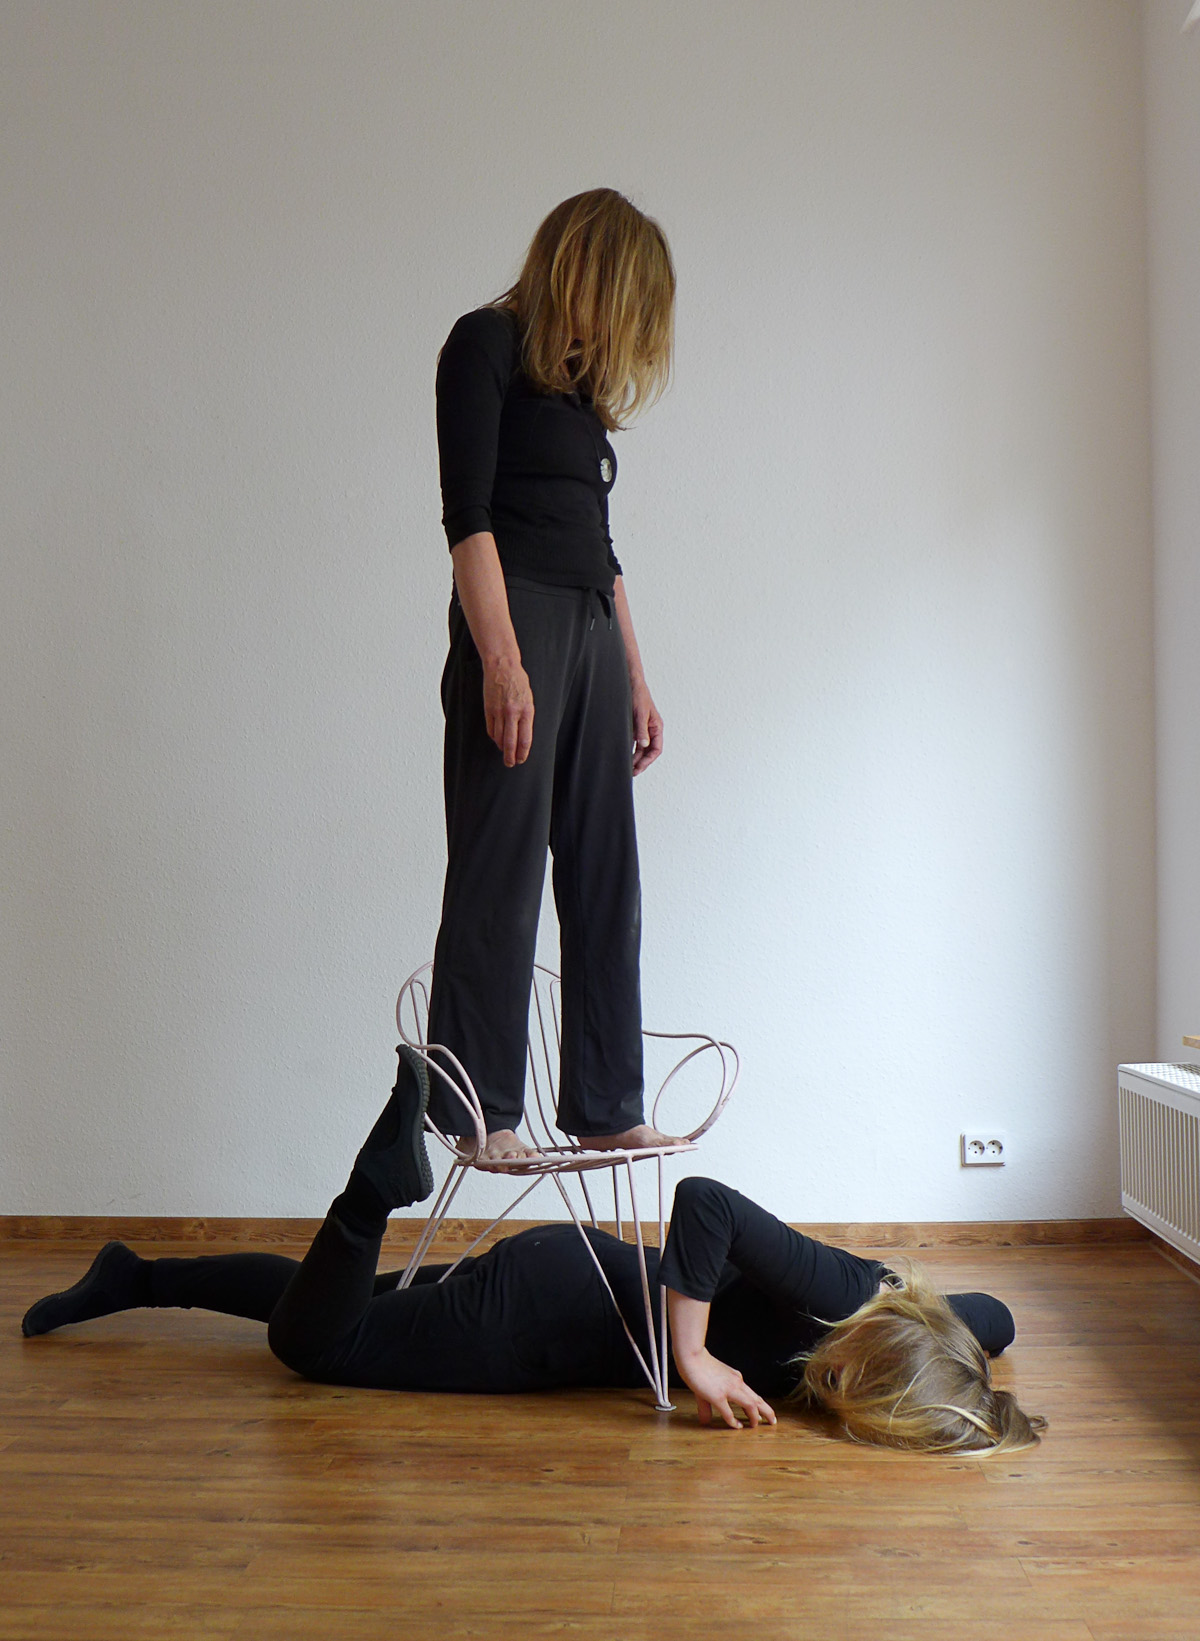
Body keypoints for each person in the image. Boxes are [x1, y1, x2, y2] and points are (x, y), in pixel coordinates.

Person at [22, 1049, 1045, 1453]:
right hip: (541, 1322)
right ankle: (371, 1192)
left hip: (565, 1275)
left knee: (339, 1301)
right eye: (862, 1394)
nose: (840, 1403)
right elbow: (706, 1204)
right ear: (880, 1345)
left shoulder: (919, 1326)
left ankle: (137, 1276)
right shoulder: (845, 1295)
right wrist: (693, 1356)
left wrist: (971, 1375)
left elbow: (991, 1316)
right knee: (319, 1347)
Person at [426, 188, 677, 1162]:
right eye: (624, 300)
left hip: (591, 626)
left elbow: (601, 549)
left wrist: (636, 676)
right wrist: (501, 657)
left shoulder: (577, 398)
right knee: (500, 867)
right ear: (588, 271)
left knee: (607, 872)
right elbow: (468, 517)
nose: (621, 331)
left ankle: (607, 1102)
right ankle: (477, 1111)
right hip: (516, 615)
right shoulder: (483, 344)